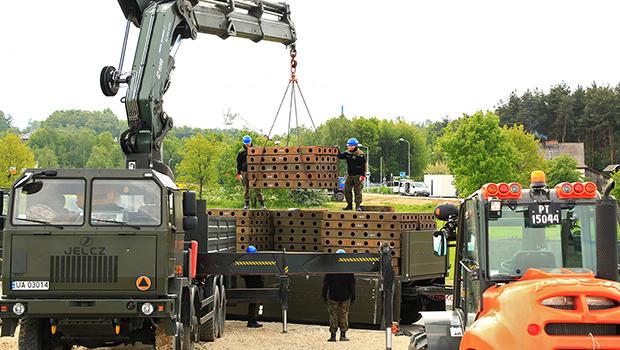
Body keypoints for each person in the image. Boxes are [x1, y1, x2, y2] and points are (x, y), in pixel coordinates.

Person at [322, 249, 356, 342]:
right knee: (344, 315)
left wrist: (324, 295)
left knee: (333, 315)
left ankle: (333, 336)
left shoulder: (331, 269)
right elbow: (352, 285)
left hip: (333, 296)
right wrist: (353, 296)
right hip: (345, 296)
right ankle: (343, 335)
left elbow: (326, 284)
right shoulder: (348, 269)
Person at [336, 138, 366, 211]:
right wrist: (337, 149)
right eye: (348, 145)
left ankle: (358, 206)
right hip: (350, 175)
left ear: (354, 146)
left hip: (358, 175)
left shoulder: (360, 154)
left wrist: (363, 175)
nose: (348, 147)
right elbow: (340, 156)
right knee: (346, 189)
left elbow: (364, 166)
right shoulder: (347, 153)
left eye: (349, 146)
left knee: (357, 190)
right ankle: (349, 205)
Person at [236, 135, 265, 210]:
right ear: (244, 143)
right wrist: (238, 173)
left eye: (248, 143)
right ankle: (246, 204)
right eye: (246, 143)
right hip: (245, 171)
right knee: (246, 188)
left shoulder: (255, 149)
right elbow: (238, 163)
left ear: (251, 142)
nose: (247, 144)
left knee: (257, 187)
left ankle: (262, 204)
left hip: (254, 171)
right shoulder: (241, 152)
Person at [242, 245, 265, 328]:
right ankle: (252, 322)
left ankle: (252, 321)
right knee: (254, 304)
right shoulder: (256, 263)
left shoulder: (245, 263)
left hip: (249, 286)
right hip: (256, 287)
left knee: (253, 304)